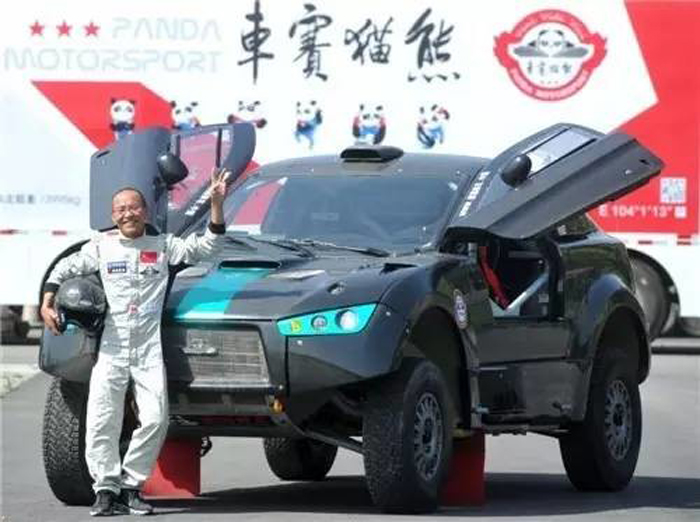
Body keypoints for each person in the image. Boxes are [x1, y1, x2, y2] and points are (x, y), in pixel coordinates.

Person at [40, 168, 231, 516]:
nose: (128, 213)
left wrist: (217, 205)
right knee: (102, 421)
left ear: (145, 211)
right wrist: (47, 300)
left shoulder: (164, 245)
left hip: (148, 349)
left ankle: (131, 486)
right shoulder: (101, 247)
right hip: (111, 348)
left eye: (133, 207)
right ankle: (105, 489)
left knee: (156, 419)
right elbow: (64, 268)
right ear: (113, 216)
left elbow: (207, 247)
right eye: (121, 209)